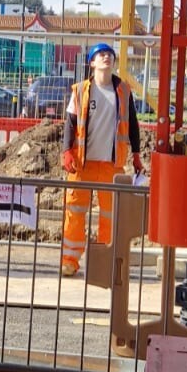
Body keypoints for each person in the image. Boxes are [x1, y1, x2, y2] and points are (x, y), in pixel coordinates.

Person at [59, 43, 143, 278]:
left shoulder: (123, 91)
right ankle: (70, 261)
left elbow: (133, 124)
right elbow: (70, 123)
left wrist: (136, 154)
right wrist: (66, 151)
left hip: (111, 164)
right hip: (81, 163)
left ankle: (104, 261)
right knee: (75, 213)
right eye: (101, 55)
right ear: (92, 63)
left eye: (109, 55)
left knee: (109, 215)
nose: (106, 57)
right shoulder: (80, 90)